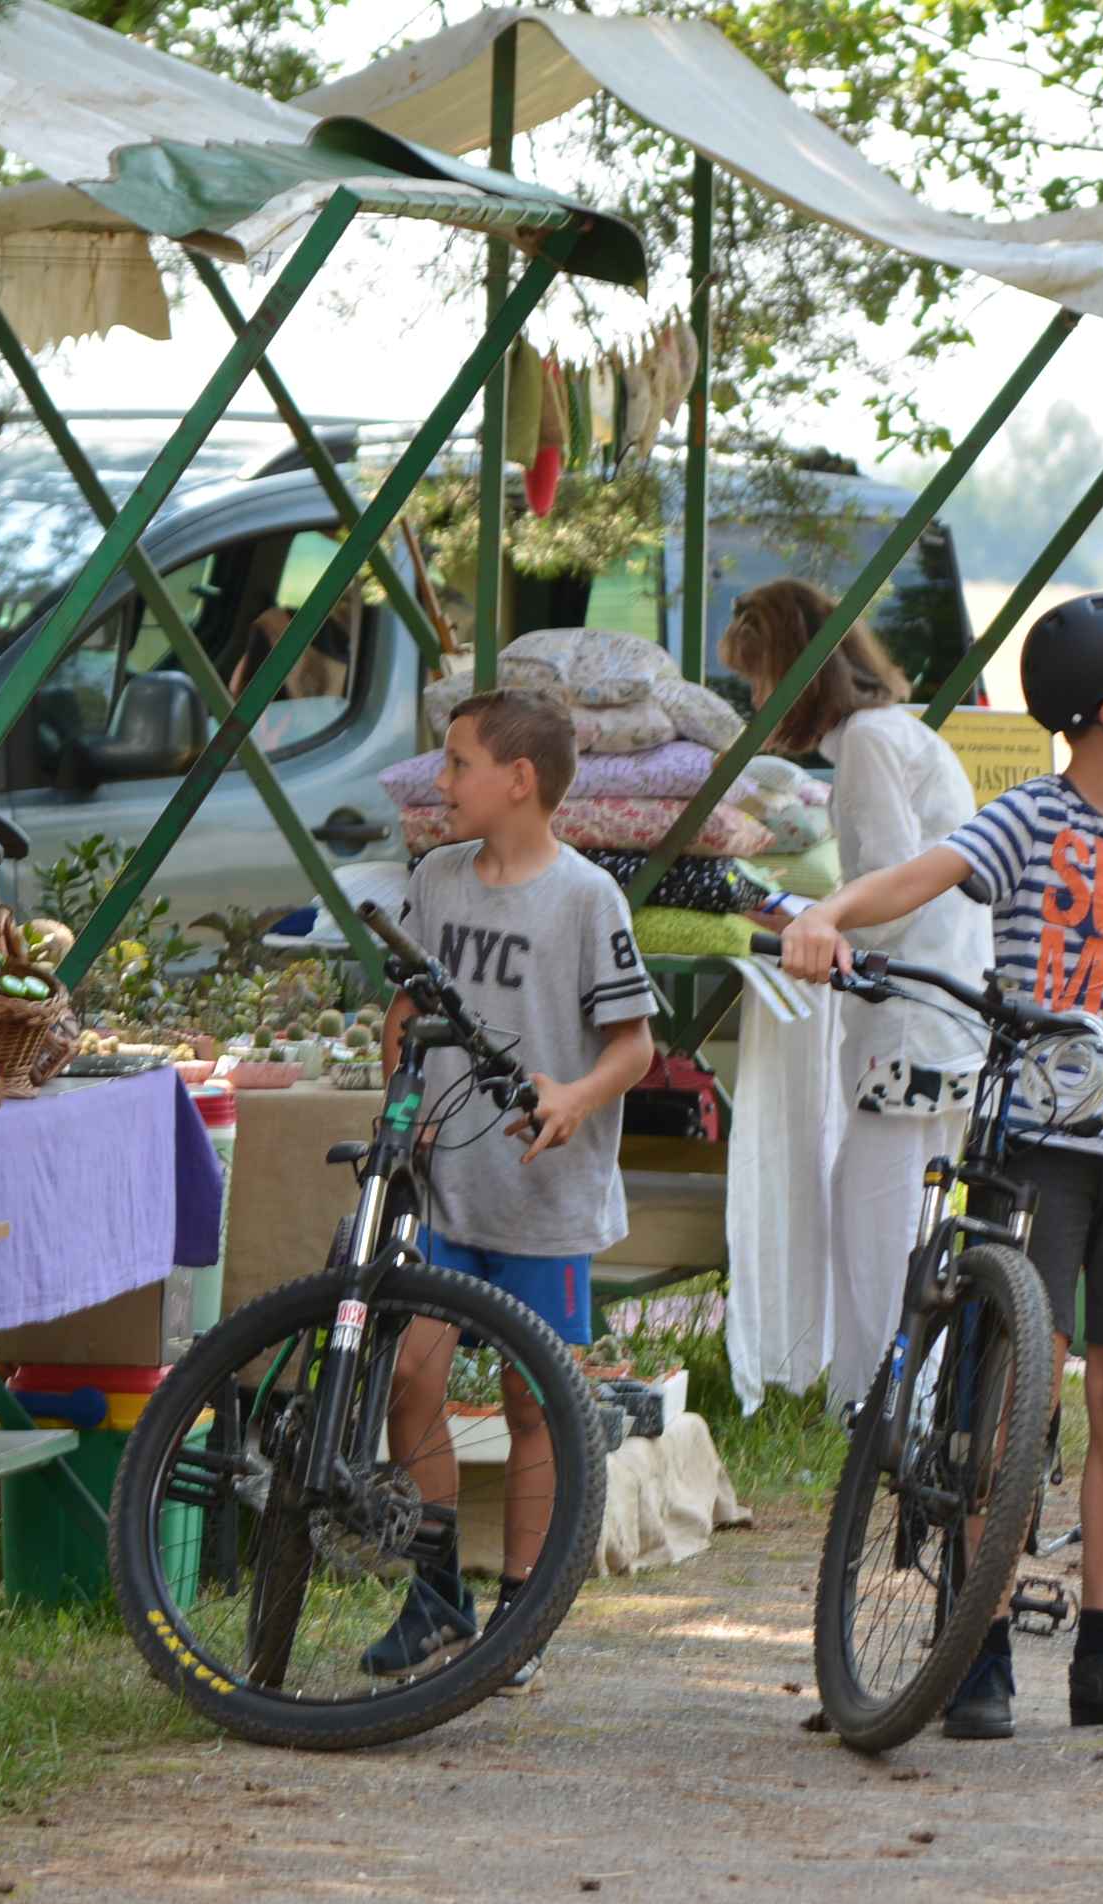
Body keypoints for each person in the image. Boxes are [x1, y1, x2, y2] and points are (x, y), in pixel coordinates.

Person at [779, 592, 1103, 1739]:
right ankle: (979, 1643)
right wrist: (828, 914)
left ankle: (1101, 1650)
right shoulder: (1027, 821)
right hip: (1041, 1145)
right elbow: (915, 875)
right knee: (1011, 1397)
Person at [362, 688, 657, 1691]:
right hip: (443, 1189)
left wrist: (573, 1096)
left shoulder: (585, 898)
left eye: (455, 764)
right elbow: (405, 1006)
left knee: (535, 1403)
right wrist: (400, 1107)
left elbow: (635, 1043)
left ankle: (520, 1613)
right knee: (411, 1376)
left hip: (542, 1195)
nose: (438, 783)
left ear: (518, 780)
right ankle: (435, 1593)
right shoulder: (436, 879)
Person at [720, 580, 992, 1407]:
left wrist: (795, 916)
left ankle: (880, 1408)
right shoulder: (889, 736)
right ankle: (905, 1402)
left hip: (908, 1021)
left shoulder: (872, 746)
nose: (756, 699)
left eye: (759, 678)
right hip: (943, 1012)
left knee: (877, 1222)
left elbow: (886, 896)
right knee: (906, 1218)